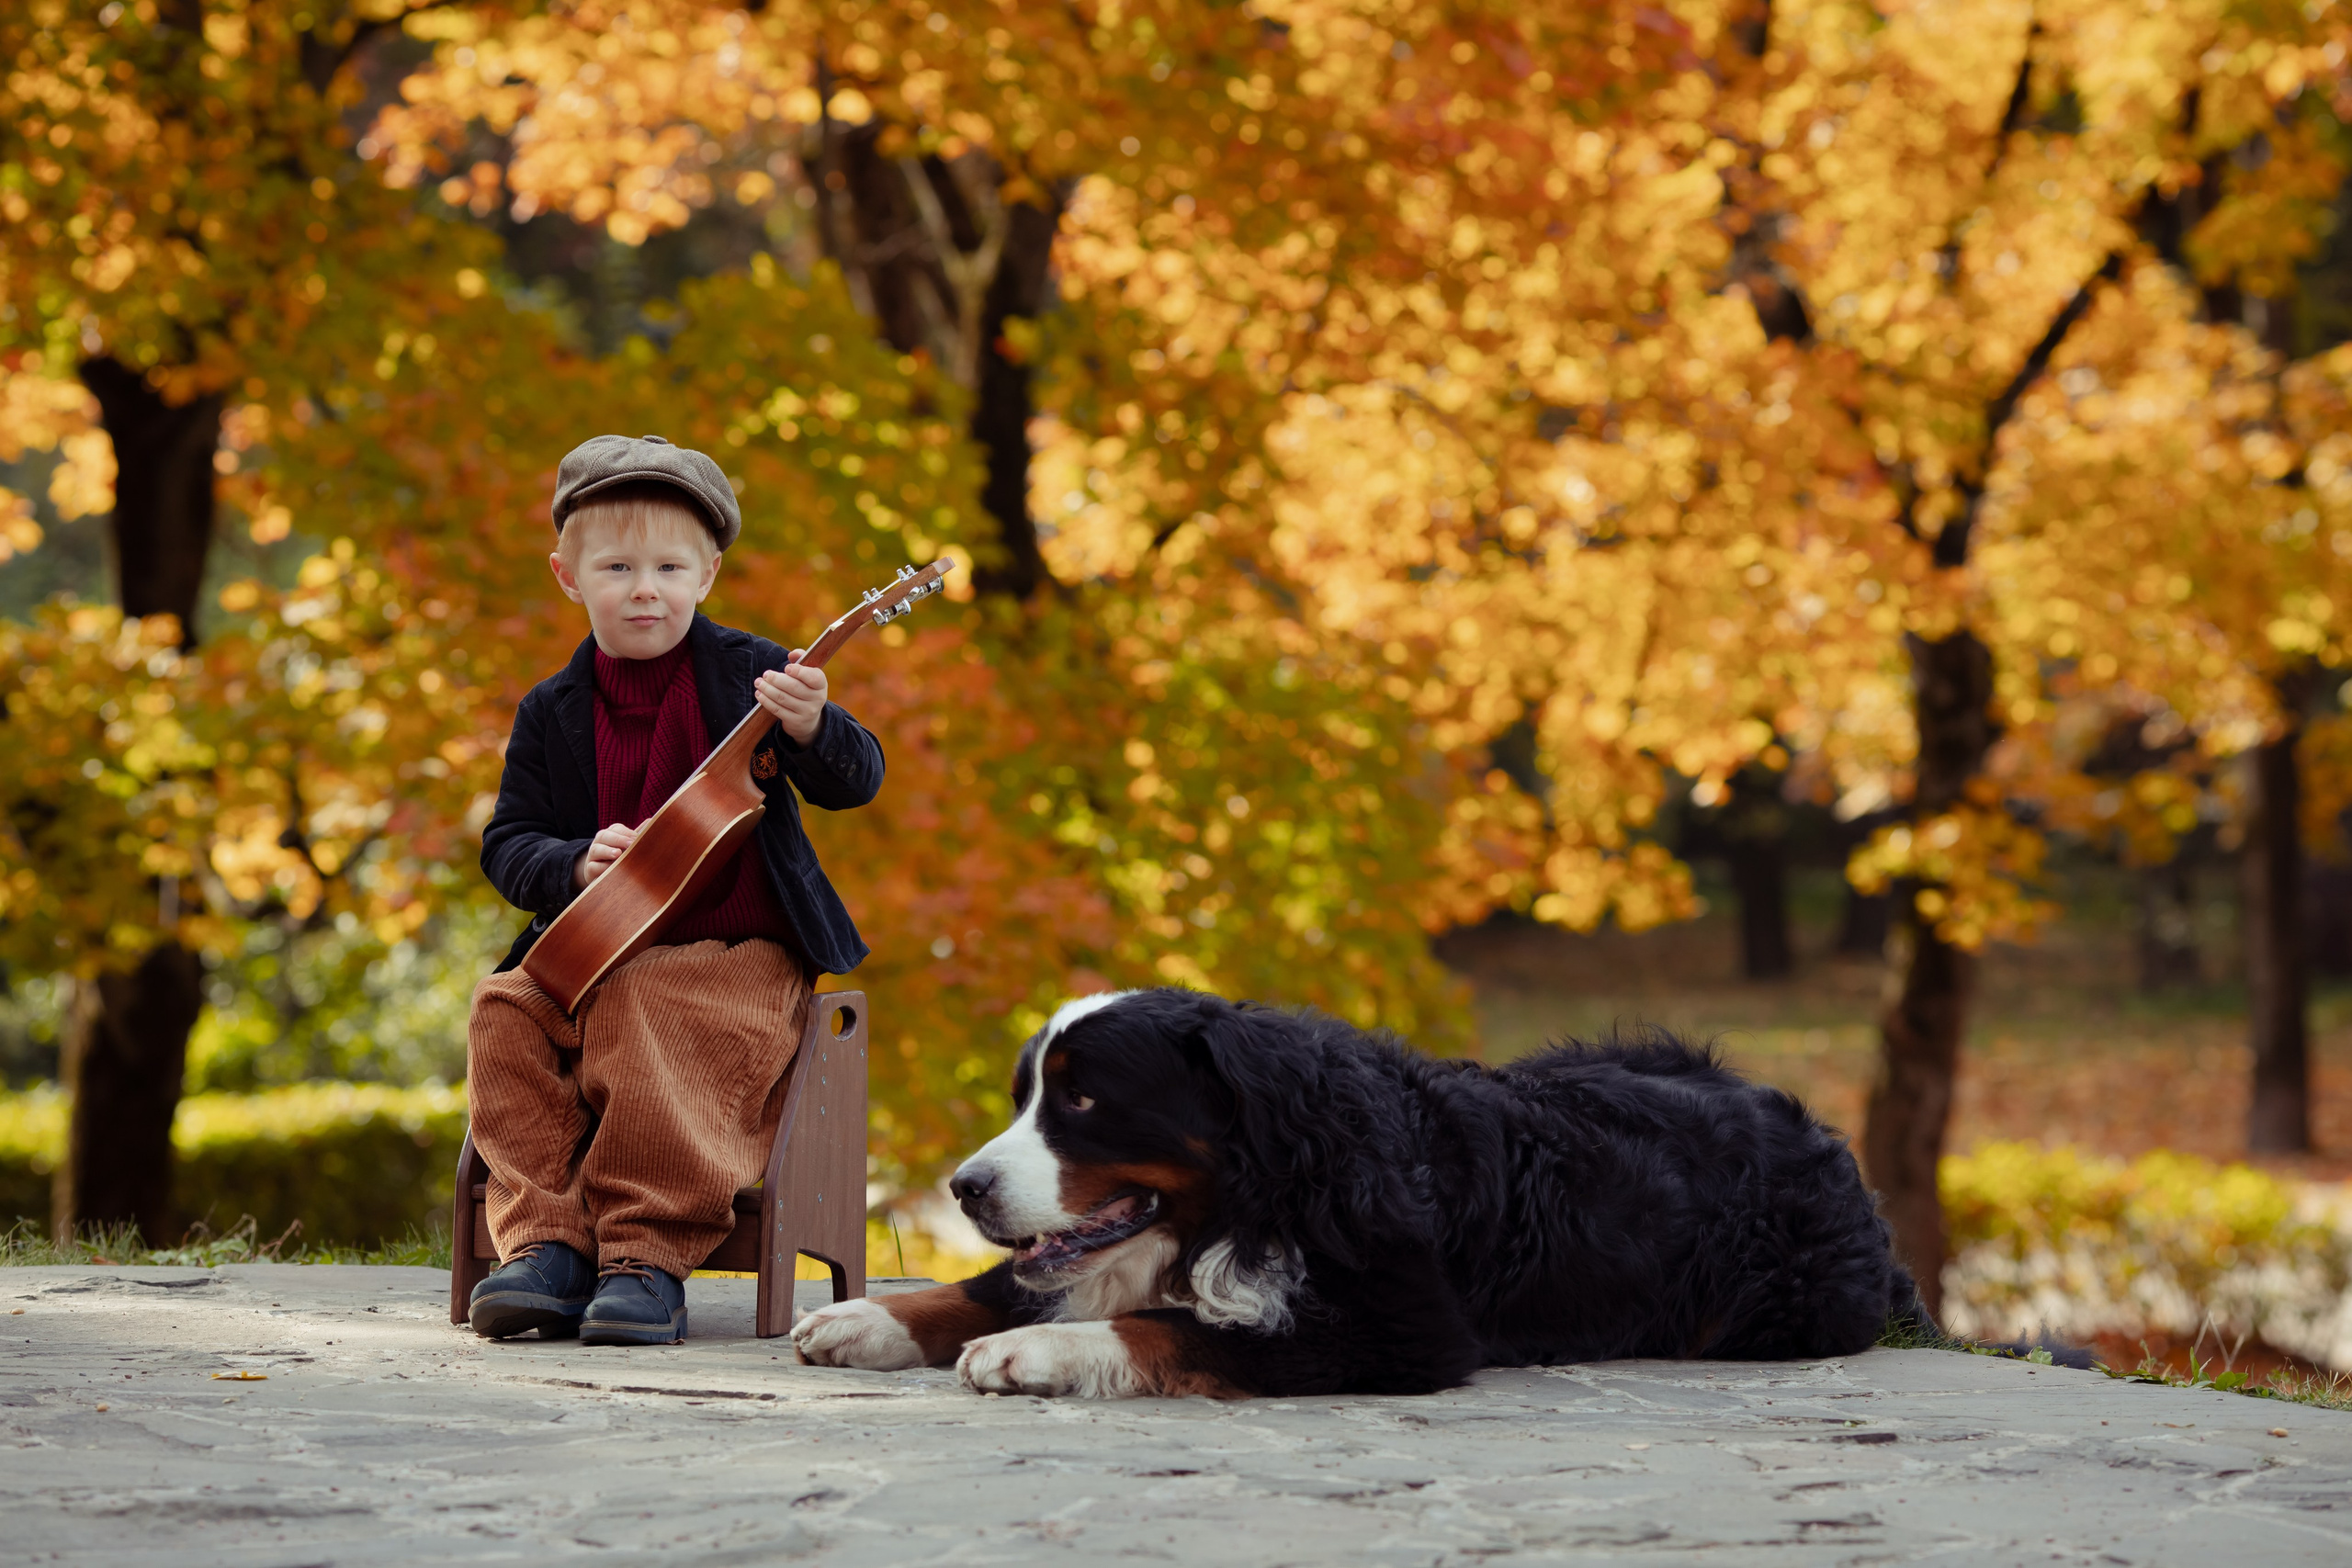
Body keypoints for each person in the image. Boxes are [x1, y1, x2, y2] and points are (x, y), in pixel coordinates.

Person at [462, 433, 882, 1346]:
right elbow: (507, 843)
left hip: (742, 956)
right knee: (503, 1008)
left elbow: (856, 781)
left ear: (708, 574)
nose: (643, 587)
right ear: (568, 577)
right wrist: (572, 863)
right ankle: (546, 1247)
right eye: (615, 566)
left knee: (643, 1000)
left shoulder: (751, 676)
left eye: (667, 566)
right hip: (594, 949)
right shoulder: (552, 708)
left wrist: (816, 728)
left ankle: (647, 1258)